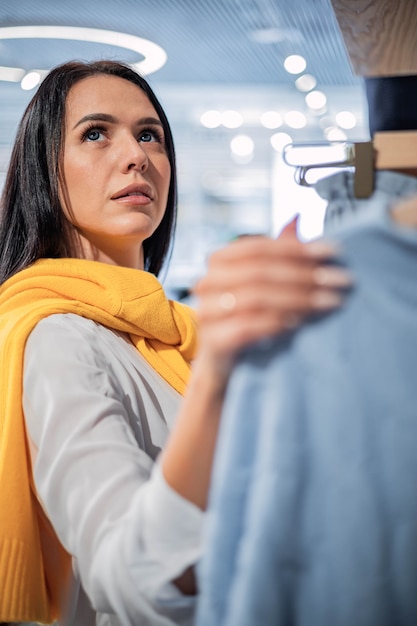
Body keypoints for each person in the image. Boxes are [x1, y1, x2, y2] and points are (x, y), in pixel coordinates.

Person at [0, 59, 351, 626]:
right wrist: (216, 376)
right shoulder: (59, 338)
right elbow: (133, 583)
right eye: (95, 134)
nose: (136, 155)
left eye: (149, 135)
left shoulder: (174, 333)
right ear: (46, 170)